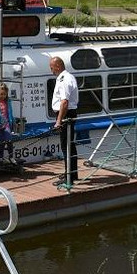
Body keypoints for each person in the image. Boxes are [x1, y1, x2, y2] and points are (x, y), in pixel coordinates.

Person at [50, 56, 79, 187]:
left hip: (66, 115)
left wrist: (58, 121)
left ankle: (69, 177)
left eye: (51, 67)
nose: (51, 70)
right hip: (69, 113)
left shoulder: (64, 79)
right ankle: (72, 173)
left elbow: (64, 102)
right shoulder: (69, 76)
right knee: (70, 145)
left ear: (57, 66)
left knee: (66, 145)